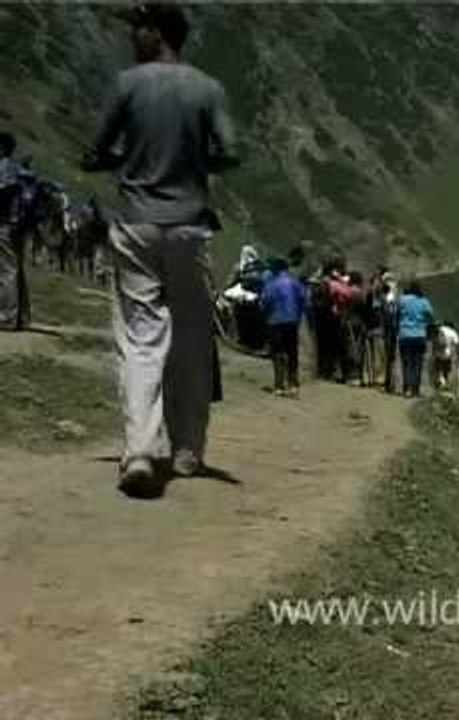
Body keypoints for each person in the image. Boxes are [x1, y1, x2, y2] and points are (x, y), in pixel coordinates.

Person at [82, 3, 238, 499]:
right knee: (192, 337)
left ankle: (141, 451)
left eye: (138, 27)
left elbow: (95, 151)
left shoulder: (128, 84)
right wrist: (193, 160)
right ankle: (188, 449)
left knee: (141, 336)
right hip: (190, 224)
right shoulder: (208, 88)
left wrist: (125, 159)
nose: (133, 35)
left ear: (157, 34)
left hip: (137, 223)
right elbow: (230, 151)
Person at [261, 257, 307, 397]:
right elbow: (303, 299)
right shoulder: (295, 282)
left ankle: (279, 385)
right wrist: (298, 317)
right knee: (292, 353)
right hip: (292, 322)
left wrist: (265, 318)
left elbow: (264, 302)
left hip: (275, 322)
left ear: (275, 268)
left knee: (277, 353)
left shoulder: (271, 284)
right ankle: (293, 384)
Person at [0, 131, 27, 330]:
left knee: (8, 271)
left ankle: (8, 317)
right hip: (13, 225)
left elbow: (5, 191)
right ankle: (21, 316)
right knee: (13, 269)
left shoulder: (6, 167)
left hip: (5, 224)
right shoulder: (14, 168)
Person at [396, 280, 434, 397]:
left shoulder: (402, 300)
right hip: (420, 335)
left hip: (404, 334)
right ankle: (415, 389)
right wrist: (425, 323)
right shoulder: (424, 302)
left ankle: (406, 388)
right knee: (417, 363)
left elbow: (397, 315)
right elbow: (430, 317)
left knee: (406, 362)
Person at [432, 321, 459, 391]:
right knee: (446, 369)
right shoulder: (453, 332)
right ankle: (444, 382)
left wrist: (433, 353)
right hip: (447, 355)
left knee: (438, 369)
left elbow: (434, 341)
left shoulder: (439, 329)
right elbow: (458, 345)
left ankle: (440, 382)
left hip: (438, 353)